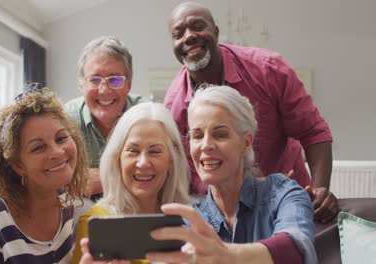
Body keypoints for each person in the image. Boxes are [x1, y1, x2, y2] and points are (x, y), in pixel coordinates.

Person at [164, 1, 337, 223]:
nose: (188, 36)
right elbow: (190, 177)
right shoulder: (173, 107)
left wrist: (320, 191)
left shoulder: (269, 69)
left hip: (288, 200)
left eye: (198, 26)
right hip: (225, 213)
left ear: (216, 33)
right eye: (178, 34)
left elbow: (313, 132)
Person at [146, 86, 317, 264]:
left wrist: (227, 256)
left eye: (220, 134)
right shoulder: (189, 222)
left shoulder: (283, 194)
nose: (206, 145)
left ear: (246, 143)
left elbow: (297, 248)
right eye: (197, 135)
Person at [0, 84, 89, 263]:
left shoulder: (67, 205)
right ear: (17, 165)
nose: (58, 152)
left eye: (61, 138)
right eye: (38, 148)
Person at [72, 102, 191, 264]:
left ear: (172, 159)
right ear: (117, 158)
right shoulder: (98, 223)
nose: (142, 163)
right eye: (133, 151)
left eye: (155, 151)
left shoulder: (190, 220)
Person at [66, 36, 149, 198]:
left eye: (115, 80)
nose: (104, 90)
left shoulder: (146, 115)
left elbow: (159, 172)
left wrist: (105, 177)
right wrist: (128, 174)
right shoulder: (65, 120)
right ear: (81, 85)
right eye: (95, 80)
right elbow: (52, 181)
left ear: (129, 84)